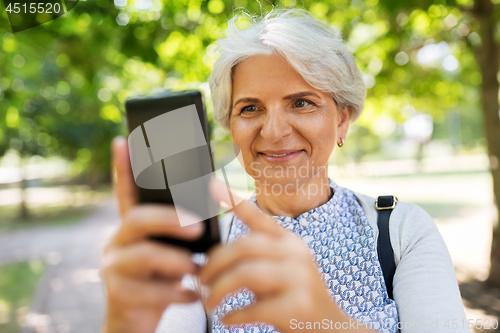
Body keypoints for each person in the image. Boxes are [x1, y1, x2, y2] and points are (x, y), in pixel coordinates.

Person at [101, 8, 470, 333]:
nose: (274, 131)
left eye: (301, 102)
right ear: (230, 126)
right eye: (249, 108)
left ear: (342, 121)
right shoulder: (201, 250)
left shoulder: (402, 230)